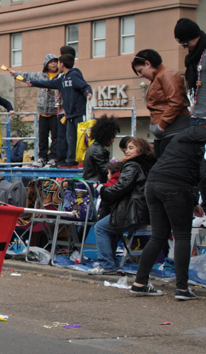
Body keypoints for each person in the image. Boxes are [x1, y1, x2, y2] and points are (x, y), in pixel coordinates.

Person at [129, 126, 206, 300]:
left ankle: (139, 283)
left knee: (158, 236)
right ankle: (182, 288)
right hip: (177, 187)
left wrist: (193, 202)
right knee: (182, 236)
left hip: (154, 184)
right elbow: (203, 174)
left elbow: (180, 166)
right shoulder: (200, 142)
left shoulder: (183, 136)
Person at [89, 138, 155, 274]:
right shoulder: (148, 165)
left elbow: (120, 187)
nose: (127, 150)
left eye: (131, 148)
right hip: (143, 210)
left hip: (133, 210)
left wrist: (102, 190)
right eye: (127, 148)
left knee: (100, 227)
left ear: (140, 150)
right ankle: (110, 263)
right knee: (110, 228)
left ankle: (107, 265)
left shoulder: (133, 166)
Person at [26, 54, 92, 167]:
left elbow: (85, 86)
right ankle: (71, 159)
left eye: (58, 63)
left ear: (62, 64)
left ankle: (85, 160)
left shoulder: (74, 75)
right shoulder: (62, 79)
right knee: (70, 138)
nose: (56, 65)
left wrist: (88, 92)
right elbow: (49, 84)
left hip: (79, 112)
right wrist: (33, 83)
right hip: (69, 114)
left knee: (81, 137)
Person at [132, 49, 190, 158]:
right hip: (165, 131)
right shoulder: (158, 77)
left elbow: (175, 102)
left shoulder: (167, 75)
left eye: (140, 70)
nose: (140, 75)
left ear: (148, 64)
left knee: (167, 167)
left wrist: (162, 125)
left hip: (172, 129)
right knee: (162, 165)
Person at [8, 54, 60, 167]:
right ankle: (42, 157)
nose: (54, 64)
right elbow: (27, 76)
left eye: (56, 61)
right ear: (46, 64)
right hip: (42, 111)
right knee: (42, 136)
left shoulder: (60, 76)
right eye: (51, 62)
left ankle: (53, 158)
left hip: (55, 111)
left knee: (55, 136)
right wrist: (16, 74)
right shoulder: (40, 75)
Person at [174, 18, 206, 126]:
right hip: (196, 115)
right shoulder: (193, 58)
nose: (183, 47)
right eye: (181, 44)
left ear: (195, 36)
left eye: (186, 43)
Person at [83, 115, 120, 183]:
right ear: (106, 136)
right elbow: (105, 170)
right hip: (95, 184)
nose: (113, 141)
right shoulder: (97, 151)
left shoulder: (95, 148)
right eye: (112, 138)